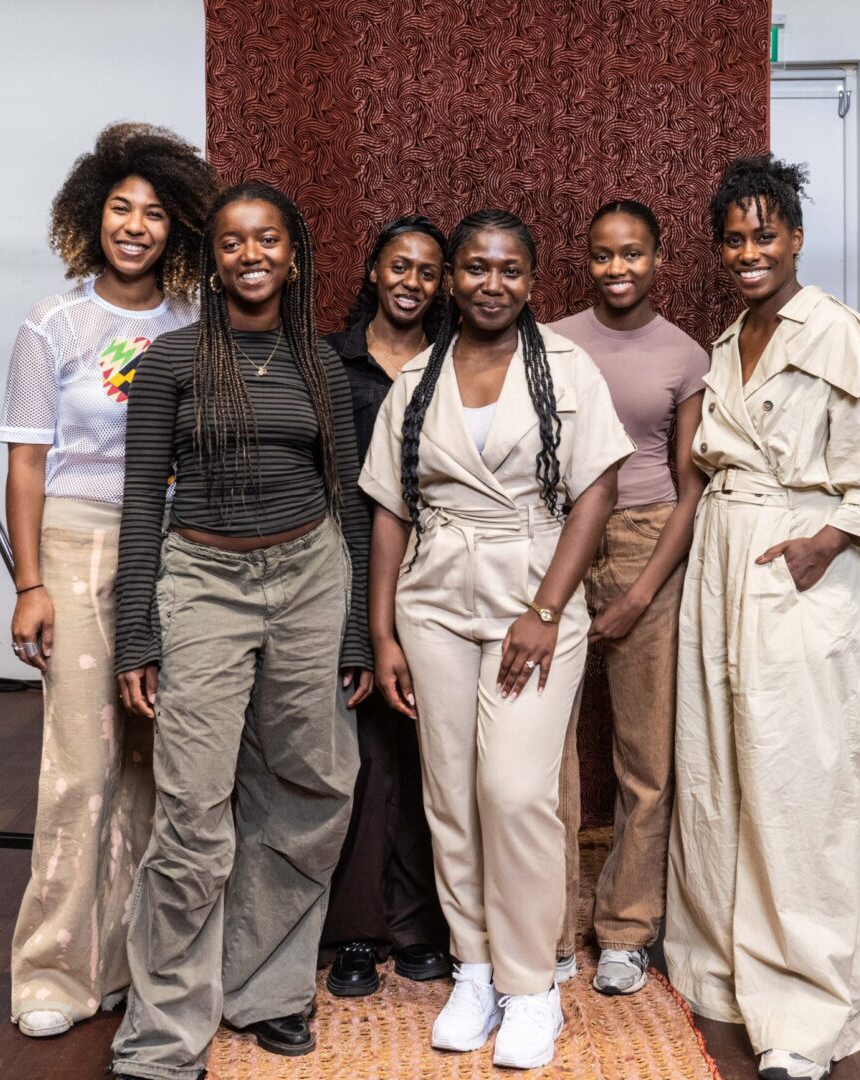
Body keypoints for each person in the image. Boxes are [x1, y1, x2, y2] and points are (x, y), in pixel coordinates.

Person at [108, 181, 371, 1078]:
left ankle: (266, 987)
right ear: (212, 260)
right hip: (203, 581)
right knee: (192, 807)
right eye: (232, 242)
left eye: (267, 240)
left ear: (292, 257)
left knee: (309, 785)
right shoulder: (172, 361)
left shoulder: (319, 363)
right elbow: (142, 501)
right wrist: (136, 634)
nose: (250, 254)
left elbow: (348, 501)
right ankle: (162, 1035)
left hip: (309, 575)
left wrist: (355, 632)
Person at [363, 209, 635, 1070]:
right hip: (435, 598)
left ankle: (531, 987)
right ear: (452, 279)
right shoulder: (419, 377)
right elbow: (390, 511)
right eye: (475, 268)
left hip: (533, 587)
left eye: (509, 269)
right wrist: (382, 631)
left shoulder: (567, 367)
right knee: (450, 794)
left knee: (514, 792)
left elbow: (596, 494)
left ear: (531, 280)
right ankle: (474, 971)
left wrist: (547, 610)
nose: (491, 283)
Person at [663, 155, 860, 1080]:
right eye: (733, 239)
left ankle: (806, 1010)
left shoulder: (837, 332)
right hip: (724, 559)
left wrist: (827, 540)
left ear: (796, 239)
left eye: (764, 235)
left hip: (799, 562)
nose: (748, 252)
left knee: (804, 779)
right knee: (722, 764)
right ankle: (727, 970)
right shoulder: (729, 339)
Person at [0, 121, 215, 1042]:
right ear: (92, 216)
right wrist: (29, 583)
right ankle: (53, 971)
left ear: (177, 229)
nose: (135, 226)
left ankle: (130, 963)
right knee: (81, 764)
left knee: (156, 764)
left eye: (154, 214)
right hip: (79, 541)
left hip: (171, 546)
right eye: (121, 209)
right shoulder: (52, 323)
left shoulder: (191, 326)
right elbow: (26, 463)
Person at [550, 200, 709, 996]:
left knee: (645, 758)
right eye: (604, 254)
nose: (618, 268)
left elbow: (690, 485)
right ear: (587, 260)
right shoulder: (549, 340)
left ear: (658, 260)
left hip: (649, 540)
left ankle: (625, 929)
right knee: (544, 749)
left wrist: (643, 592)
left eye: (633, 254)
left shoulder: (685, 354)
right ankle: (547, 928)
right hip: (559, 537)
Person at [320, 215, 453, 997]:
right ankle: (357, 932)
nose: (412, 281)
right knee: (360, 757)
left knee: (425, 752)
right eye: (399, 265)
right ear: (373, 270)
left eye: (428, 271)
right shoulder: (329, 362)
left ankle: (420, 924)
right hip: (341, 572)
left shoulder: (453, 365)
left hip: (435, 575)